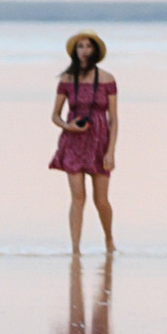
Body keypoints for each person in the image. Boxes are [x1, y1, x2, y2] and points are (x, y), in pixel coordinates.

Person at [49, 31, 118, 253]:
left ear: (95, 50)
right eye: (80, 47)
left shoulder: (107, 79)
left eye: (88, 46)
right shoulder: (67, 80)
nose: (84, 50)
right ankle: (75, 249)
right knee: (78, 198)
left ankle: (109, 241)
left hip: (100, 142)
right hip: (73, 142)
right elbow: (55, 115)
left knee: (101, 200)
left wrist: (111, 151)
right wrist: (68, 126)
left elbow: (114, 119)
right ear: (74, 51)